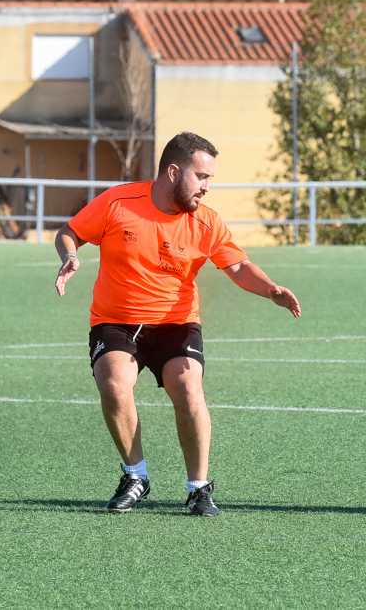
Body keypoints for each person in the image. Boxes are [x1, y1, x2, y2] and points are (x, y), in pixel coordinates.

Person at [53, 131, 301, 516]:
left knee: (187, 387)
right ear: (173, 172)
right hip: (116, 320)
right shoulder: (118, 202)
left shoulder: (206, 221)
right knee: (114, 381)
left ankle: (198, 488)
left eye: (209, 179)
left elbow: (238, 267)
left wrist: (270, 290)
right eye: (201, 177)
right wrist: (69, 257)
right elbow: (69, 232)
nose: (206, 187)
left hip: (176, 322)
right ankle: (135, 476)